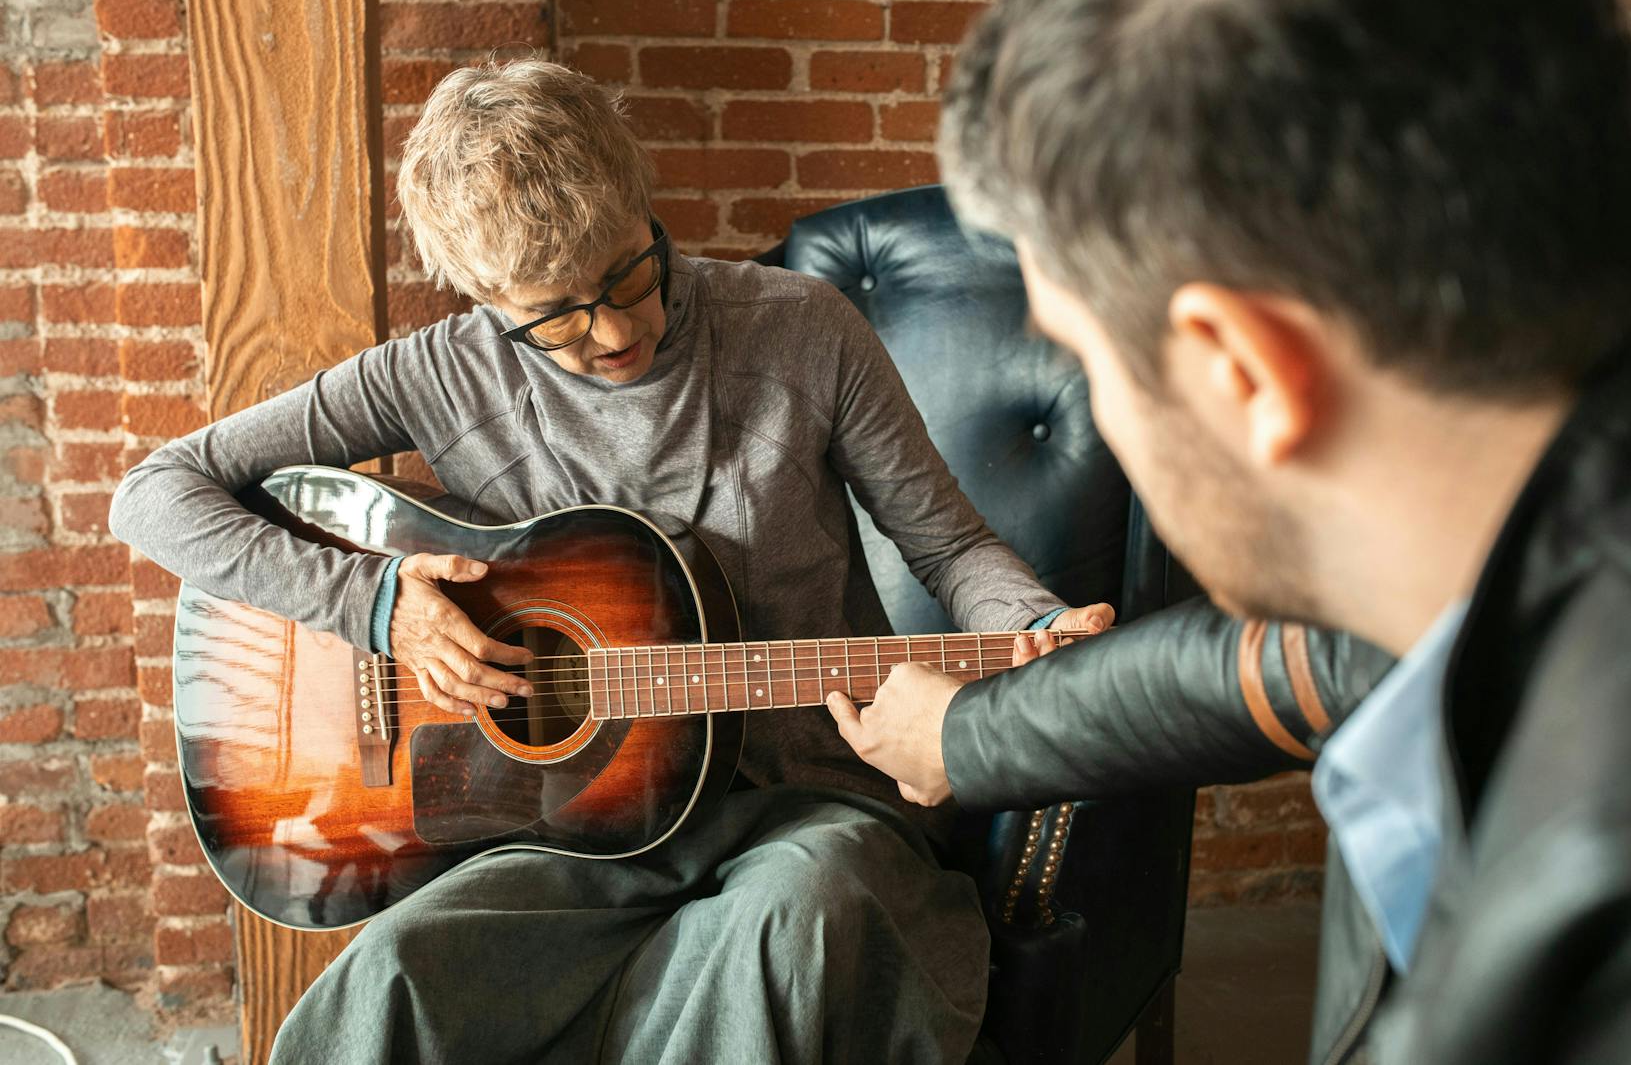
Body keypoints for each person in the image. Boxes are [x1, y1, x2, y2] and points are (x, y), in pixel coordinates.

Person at [108, 59, 1115, 1063]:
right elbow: (155, 492)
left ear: (642, 204)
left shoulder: (803, 328)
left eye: (631, 270)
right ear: (486, 301)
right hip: (572, 833)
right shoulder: (436, 374)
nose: (618, 328)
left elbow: (947, 543)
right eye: (557, 315)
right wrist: (379, 605)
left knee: (786, 924)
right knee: (396, 975)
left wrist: (1032, 627)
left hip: (814, 803)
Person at [828, 0, 1631, 1061]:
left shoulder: (1614, 910)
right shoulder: (1497, 544)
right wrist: (964, 732)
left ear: (1243, 370)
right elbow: (1275, 665)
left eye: (1086, 359)